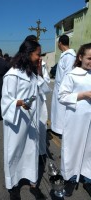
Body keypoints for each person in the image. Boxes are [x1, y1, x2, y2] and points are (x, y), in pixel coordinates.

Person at [1, 40, 47, 200]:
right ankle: (13, 185)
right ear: (27, 54)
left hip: (31, 119)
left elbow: (43, 90)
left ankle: (33, 182)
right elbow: (6, 100)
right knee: (15, 150)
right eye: (37, 54)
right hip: (17, 120)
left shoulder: (31, 72)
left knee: (31, 149)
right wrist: (19, 102)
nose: (39, 57)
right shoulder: (12, 75)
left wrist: (40, 71)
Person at [58, 43, 91, 197]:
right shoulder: (72, 75)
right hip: (76, 119)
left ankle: (88, 178)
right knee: (73, 149)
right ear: (80, 57)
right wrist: (83, 95)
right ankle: (70, 178)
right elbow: (62, 96)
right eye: (89, 58)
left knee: (89, 151)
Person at [24, 35, 51, 163]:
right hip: (26, 102)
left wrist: (39, 71)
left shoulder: (42, 64)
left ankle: (40, 153)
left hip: (39, 100)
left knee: (40, 128)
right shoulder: (21, 65)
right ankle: (27, 155)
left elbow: (45, 84)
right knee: (27, 129)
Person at [51, 34, 76, 135]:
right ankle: (56, 128)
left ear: (60, 43)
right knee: (57, 109)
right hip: (58, 86)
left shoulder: (70, 56)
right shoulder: (65, 54)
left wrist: (63, 88)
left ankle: (61, 130)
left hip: (63, 88)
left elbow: (68, 74)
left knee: (62, 109)